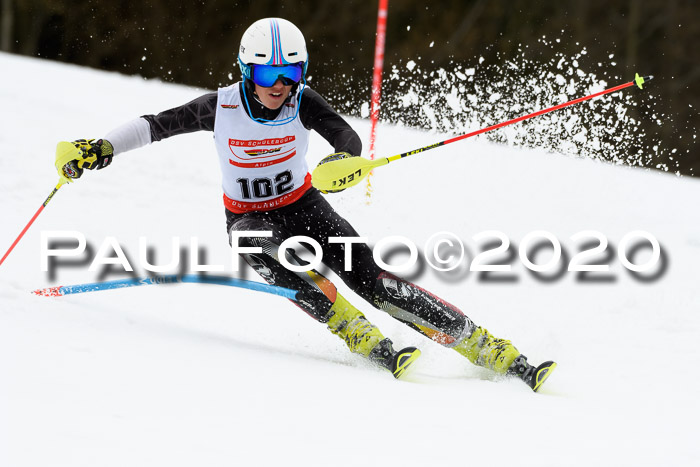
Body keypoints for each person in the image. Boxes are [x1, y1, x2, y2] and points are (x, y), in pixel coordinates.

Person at [58, 17, 555, 390]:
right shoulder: (222, 105)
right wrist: (101, 149)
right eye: (268, 71)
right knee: (280, 252)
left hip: (304, 204)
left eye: (291, 70)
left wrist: (345, 159)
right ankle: (354, 330)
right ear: (246, 69)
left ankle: (486, 347)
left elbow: (344, 135)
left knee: (373, 280)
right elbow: (154, 125)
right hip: (248, 220)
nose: (279, 83)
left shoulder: (302, 99)